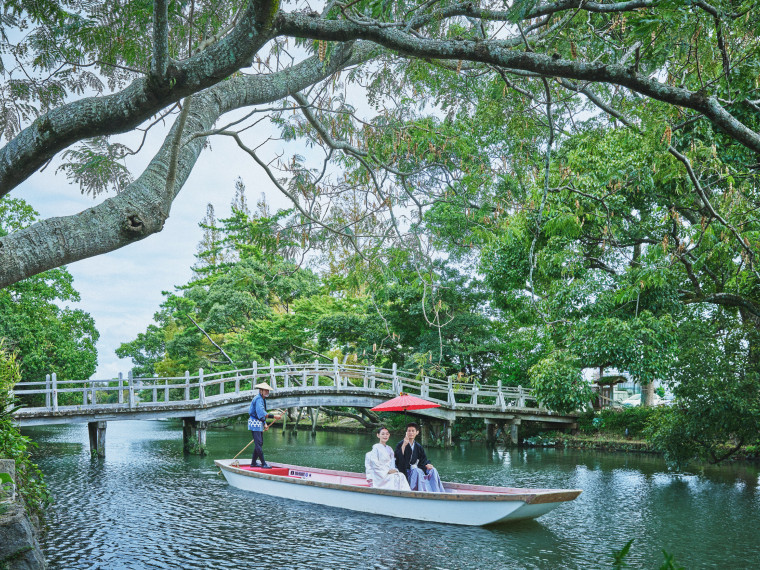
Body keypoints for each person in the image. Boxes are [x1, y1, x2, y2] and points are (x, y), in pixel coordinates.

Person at [394, 422, 446, 492]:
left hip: (415, 468)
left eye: (413, 431)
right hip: (404, 470)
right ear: (406, 432)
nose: (411, 433)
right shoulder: (400, 444)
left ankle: (436, 491)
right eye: (409, 431)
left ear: (417, 432)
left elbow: (423, 460)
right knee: (417, 471)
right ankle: (419, 491)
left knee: (433, 470)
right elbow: (397, 458)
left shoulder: (418, 446)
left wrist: (427, 464)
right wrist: (404, 445)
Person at [366, 427, 411, 491]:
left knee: (401, 475)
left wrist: (392, 470)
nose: (385, 436)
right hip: (380, 474)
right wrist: (387, 471)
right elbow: (375, 464)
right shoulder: (376, 448)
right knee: (393, 478)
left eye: (387, 434)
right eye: (383, 434)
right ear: (378, 435)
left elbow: (392, 463)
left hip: (387, 472)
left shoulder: (389, 449)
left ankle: (405, 494)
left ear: (389, 435)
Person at [248, 382, 280, 469]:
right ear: (261, 391)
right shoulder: (258, 399)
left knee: (260, 443)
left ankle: (253, 462)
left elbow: (261, 415)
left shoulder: (263, 399)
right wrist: (274, 416)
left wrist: (265, 423)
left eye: (268, 390)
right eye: (265, 390)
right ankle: (263, 463)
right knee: (258, 443)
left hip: (259, 422)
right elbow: (261, 413)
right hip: (255, 422)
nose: (267, 392)